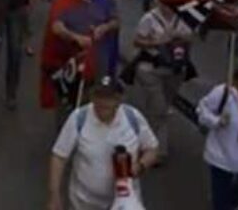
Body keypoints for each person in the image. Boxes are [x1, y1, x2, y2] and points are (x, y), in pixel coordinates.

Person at [48, 76, 159, 210]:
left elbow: (152, 149)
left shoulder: (133, 118)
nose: (103, 102)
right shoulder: (79, 119)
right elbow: (59, 157)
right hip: (85, 203)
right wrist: (55, 196)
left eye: (109, 98)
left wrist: (140, 166)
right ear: (92, 98)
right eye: (99, 97)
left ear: (118, 100)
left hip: (125, 203)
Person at [132, 0, 194, 164]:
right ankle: (157, 150)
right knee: (158, 108)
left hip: (175, 70)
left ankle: (147, 138)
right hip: (151, 69)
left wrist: (180, 38)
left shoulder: (183, 17)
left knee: (163, 106)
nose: (167, 7)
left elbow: (191, 38)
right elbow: (137, 41)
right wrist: (157, 42)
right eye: (164, 3)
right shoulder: (149, 19)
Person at [196, 62, 238, 210]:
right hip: (221, 157)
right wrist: (217, 121)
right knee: (221, 200)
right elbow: (201, 110)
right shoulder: (223, 93)